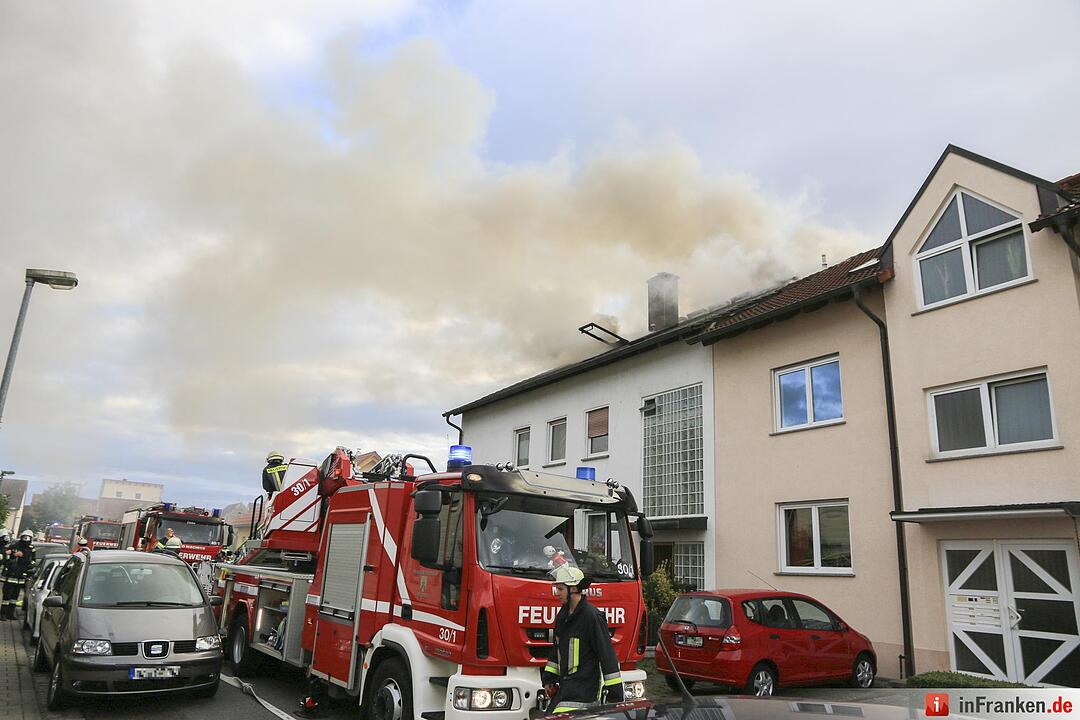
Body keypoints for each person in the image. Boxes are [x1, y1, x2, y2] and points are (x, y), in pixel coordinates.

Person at [542, 564, 623, 712]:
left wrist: (615, 694)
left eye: (560, 589)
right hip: (565, 689)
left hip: (584, 692)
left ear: (573, 589)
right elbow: (557, 650)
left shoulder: (592, 617)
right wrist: (549, 679)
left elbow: (607, 655)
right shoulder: (563, 616)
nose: (556, 593)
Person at [1, 530, 35, 620]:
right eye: (24, 537)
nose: (26, 539)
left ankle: (10, 614)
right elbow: (5, 556)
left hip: (21, 575)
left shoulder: (31, 548)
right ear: (21, 537)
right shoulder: (14, 546)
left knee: (15, 596)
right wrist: (14, 554)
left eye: (28, 538)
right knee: (7, 595)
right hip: (11, 574)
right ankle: (2, 614)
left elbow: (33, 559)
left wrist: (31, 564)